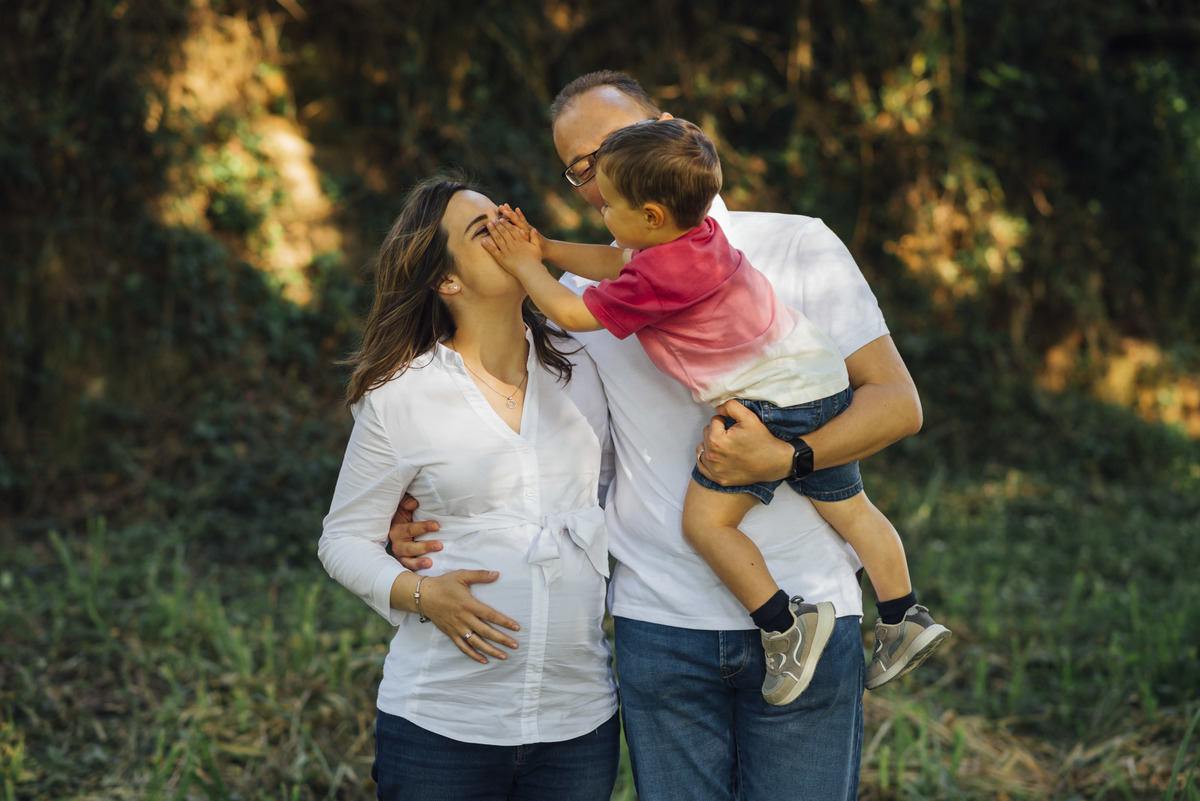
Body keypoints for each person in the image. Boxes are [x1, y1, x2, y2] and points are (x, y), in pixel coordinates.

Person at [392, 71, 927, 801]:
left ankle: (898, 612)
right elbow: (541, 446)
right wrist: (420, 509)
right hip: (661, 628)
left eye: (611, 147)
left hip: (813, 603)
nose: (596, 175)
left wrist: (785, 456)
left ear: (667, 128)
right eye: (579, 168)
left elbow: (897, 403)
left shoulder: (798, 245)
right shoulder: (584, 303)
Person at [482, 117, 950, 705]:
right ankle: (905, 614)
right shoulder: (697, 234)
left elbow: (576, 312)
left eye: (610, 208)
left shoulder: (660, 277)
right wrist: (547, 248)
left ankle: (784, 625)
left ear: (651, 216)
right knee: (851, 508)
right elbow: (618, 263)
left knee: (706, 523)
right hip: (816, 381)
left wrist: (526, 267)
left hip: (773, 403)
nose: (602, 216)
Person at [319, 171, 619, 801]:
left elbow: (625, 486)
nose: (512, 234)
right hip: (441, 728)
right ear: (445, 280)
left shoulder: (585, 365)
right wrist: (420, 593)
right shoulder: (404, 394)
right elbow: (343, 539)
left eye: (511, 218)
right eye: (487, 231)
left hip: (579, 723)